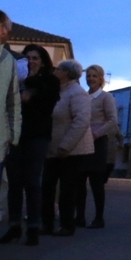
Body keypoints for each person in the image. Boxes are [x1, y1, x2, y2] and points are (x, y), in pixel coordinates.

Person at [0, 45, 56, 247]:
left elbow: (46, 105)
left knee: (32, 182)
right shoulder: (15, 80)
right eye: (28, 58)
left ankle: (33, 227)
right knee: (14, 182)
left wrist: (30, 83)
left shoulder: (50, 81)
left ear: (43, 62)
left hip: (37, 136)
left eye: (35, 58)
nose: (31, 61)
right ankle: (14, 226)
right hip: (15, 135)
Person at [42, 60, 94, 236]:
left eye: (58, 69)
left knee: (67, 189)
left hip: (72, 151)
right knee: (47, 187)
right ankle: (47, 223)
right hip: (52, 149)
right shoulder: (57, 91)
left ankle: (67, 225)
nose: (55, 71)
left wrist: (66, 146)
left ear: (66, 73)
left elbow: (81, 121)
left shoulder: (77, 93)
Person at [0, 8, 22, 256]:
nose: (7, 33)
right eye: (3, 27)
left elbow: (13, 101)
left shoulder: (8, 59)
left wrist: (13, 135)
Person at [76, 65, 120, 229]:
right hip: (81, 143)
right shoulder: (83, 96)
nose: (91, 79)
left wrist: (96, 134)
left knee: (96, 183)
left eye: (94, 76)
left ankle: (98, 218)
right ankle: (79, 217)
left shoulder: (106, 98)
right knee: (79, 182)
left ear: (101, 78)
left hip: (98, 143)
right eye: (88, 76)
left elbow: (112, 120)